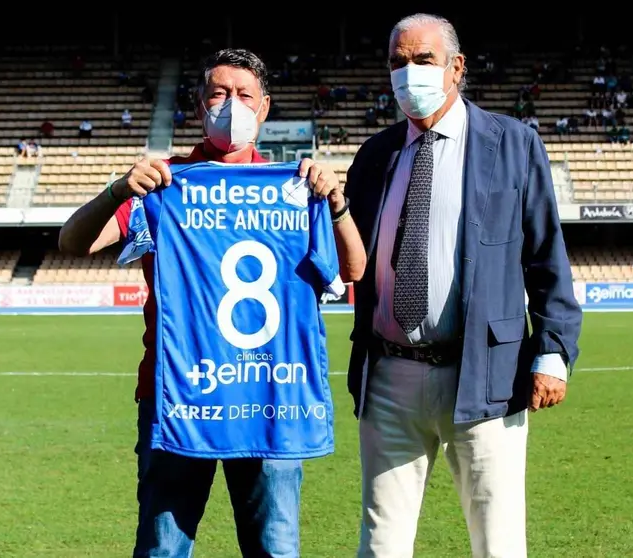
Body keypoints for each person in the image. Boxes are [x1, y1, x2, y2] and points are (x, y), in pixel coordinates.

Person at [58, 48, 366, 558]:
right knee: (163, 549)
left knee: (275, 549)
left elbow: (353, 271)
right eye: (219, 94)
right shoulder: (162, 184)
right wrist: (117, 190)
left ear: (264, 108)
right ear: (200, 105)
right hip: (178, 391)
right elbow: (73, 242)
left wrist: (336, 203)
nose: (231, 104)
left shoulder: (295, 188)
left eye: (244, 95)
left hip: (267, 392)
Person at [343, 14, 583, 558]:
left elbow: (547, 259)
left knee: (497, 542)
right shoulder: (375, 155)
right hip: (388, 374)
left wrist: (553, 353)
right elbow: (348, 257)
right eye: (397, 63)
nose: (409, 74)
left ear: (456, 68)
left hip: (484, 373)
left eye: (423, 60)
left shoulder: (513, 144)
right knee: (380, 544)